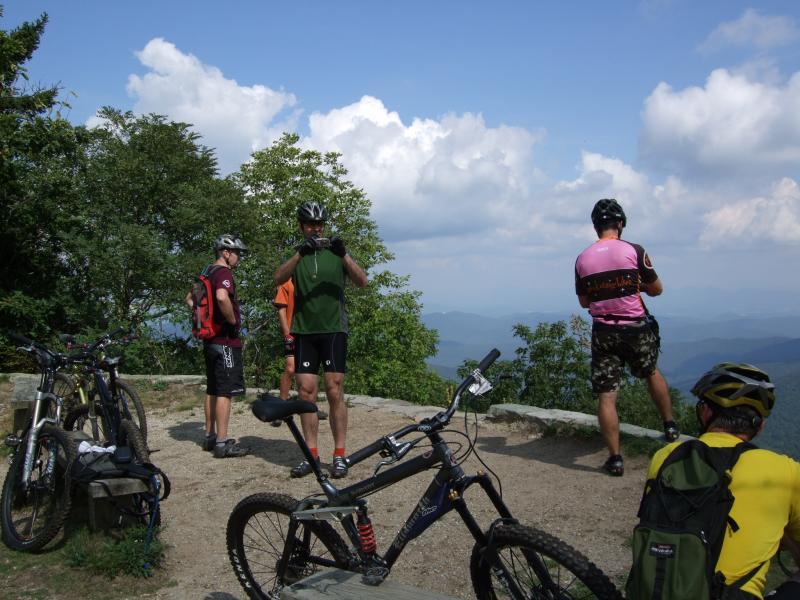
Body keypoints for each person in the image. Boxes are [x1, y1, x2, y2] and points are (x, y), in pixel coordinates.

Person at [642, 363, 800, 599]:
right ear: (761, 426)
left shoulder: (666, 456)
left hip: (661, 590)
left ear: (705, 412)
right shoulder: (786, 471)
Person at [574, 198, 678, 476]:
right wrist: (634, 286)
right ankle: (669, 425)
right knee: (650, 372)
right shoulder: (635, 250)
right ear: (620, 224)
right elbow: (657, 289)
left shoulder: (582, 259)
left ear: (596, 227)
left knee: (607, 396)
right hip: (635, 327)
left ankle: (616, 459)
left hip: (604, 331)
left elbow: (585, 302)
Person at [273, 201, 367, 478]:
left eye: (320, 224)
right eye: (311, 224)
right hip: (304, 331)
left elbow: (362, 281)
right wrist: (300, 254)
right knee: (306, 392)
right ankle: (311, 454)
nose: (317, 228)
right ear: (302, 227)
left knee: (335, 389)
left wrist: (345, 254)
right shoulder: (298, 255)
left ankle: (339, 454)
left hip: (334, 329)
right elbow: (278, 278)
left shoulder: (336, 253)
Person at [185, 234, 249, 459]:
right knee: (225, 391)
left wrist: (206, 320)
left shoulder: (207, 271)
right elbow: (222, 298)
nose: (238, 257)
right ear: (226, 253)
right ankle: (222, 443)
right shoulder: (223, 273)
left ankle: (210, 435)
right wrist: (231, 321)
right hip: (225, 340)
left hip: (209, 339)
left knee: (212, 387)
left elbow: (190, 300)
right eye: (237, 253)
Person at [272, 279, 327, 420]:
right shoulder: (287, 282)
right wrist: (286, 334)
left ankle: (311, 408)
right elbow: (281, 309)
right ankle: (281, 408)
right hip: (292, 333)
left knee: (311, 371)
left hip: (310, 333)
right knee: (290, 369)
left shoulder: (312, 281)